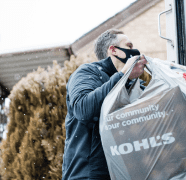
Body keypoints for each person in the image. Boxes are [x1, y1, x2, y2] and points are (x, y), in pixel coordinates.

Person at [62, 29, 147, 180]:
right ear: (113, 50)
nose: (134, 52)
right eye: (128, 46)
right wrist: (123, 77)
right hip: (86, 175)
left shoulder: (133, 86)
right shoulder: (87, 73)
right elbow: (83, 110)